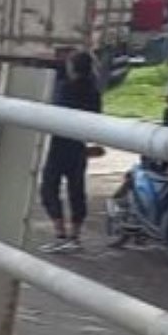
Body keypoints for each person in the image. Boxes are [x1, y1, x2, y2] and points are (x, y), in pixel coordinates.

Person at [39, 51, 102, 253]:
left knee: (49, 188)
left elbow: (54, 110)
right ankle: (75, 236)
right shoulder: (93, 91)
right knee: (76, 190)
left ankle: (60, 233)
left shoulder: (64, 88)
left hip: (60, 145)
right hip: (78, 146)